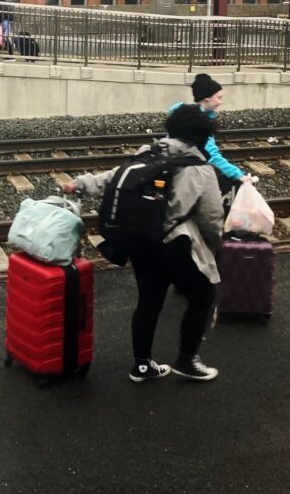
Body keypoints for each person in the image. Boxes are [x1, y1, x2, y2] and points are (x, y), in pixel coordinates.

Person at [63, 104, 225, 382]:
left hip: (141, 242)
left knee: (149, 302)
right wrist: (216, 245)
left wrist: (80, 183)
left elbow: (113, 178)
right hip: (177, 244)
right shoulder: (201, 169)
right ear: (202, 136)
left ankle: (141, 365)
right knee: (203, 296)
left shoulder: (147, 154)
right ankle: (187, 360)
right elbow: (212, 217)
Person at [168, 73, 252, 194]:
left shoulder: (181, 115)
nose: (221, 102)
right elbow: (211, 155)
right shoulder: (199, 122)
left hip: (175, 169)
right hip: (188, 175)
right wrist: (238, 175)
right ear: (207, 98)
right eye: (219, 97)